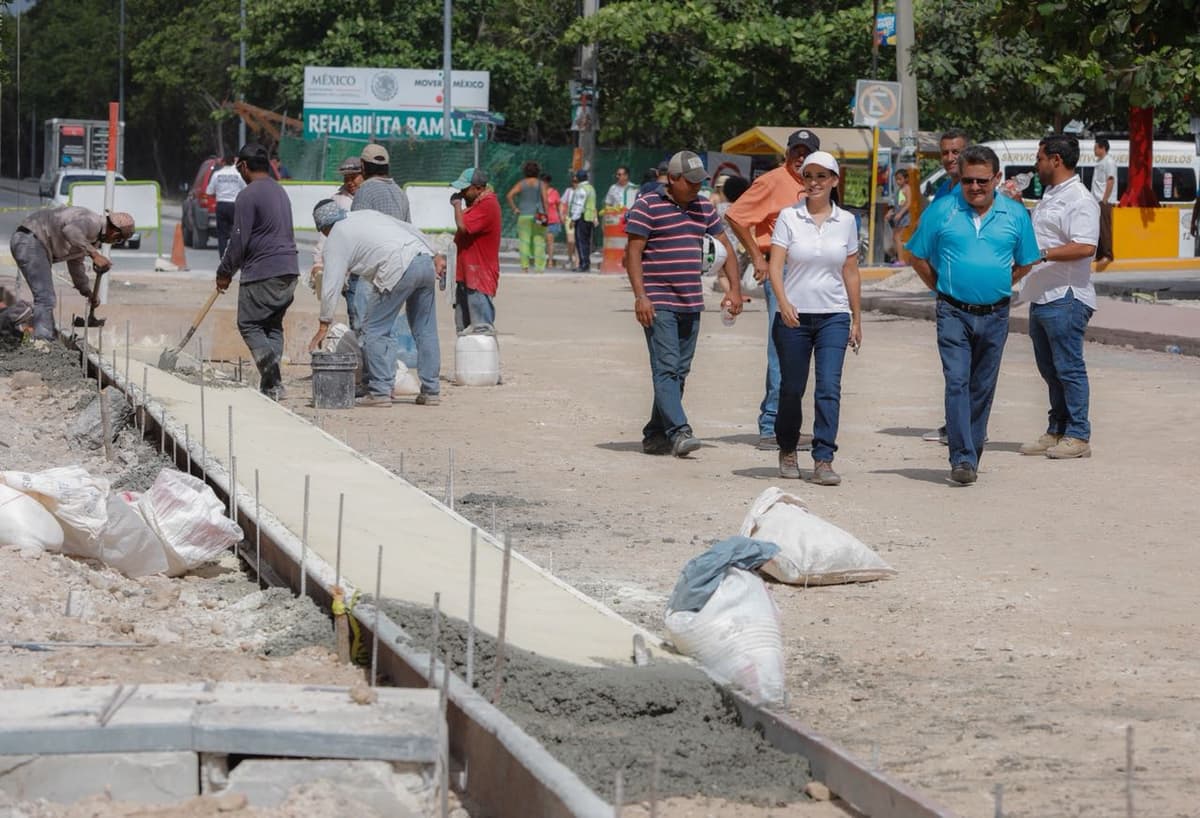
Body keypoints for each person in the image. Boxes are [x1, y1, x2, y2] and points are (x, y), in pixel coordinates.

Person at [906, 144, 1040, 485]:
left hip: (996, 314)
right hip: (953, 311)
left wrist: (1001, 282)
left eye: (982, 181)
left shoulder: (1015, 215)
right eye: (968, 181)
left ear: (996, 178)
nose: (975, 188)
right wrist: (940, 288)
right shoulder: (943, 211)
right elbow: (916, 256)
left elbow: (1027, 259)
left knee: (982, 387)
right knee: (957, 382)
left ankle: (972, 453)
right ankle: (962, 458)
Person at [625, 150, 743, 458]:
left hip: (691, 302)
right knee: (666, 369)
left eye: (699, 182)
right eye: (690, 182)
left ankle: (655, 434)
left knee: (679, 370)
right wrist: (641, 295)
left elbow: (726, 246)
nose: (696, 187)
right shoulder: (647, 206)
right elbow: (633, 254)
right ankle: (679, 431)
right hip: (658, 301)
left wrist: (735, 290)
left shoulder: (703, 207)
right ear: (672, 179)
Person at [766, 152, 862, 486]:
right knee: (791, 388)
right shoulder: (788, 217)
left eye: (822, 176)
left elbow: (850, 271)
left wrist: (856, 318)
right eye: (809, 176)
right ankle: (788, 447)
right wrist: (783, 301)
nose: (815, 182)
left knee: (829, 388)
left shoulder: (846, 222)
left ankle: (824, 457)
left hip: (833, 316)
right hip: (793, 316)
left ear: (835, 181)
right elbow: (776, 265)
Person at [726, 128, 821, 452]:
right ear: (786, 153)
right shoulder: (772, 181)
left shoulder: (815, 185)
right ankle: (770, 424)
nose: (799, 157)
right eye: (795, 151)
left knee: (802, 351)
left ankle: (787, 425)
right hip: (780, 272)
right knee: (781, 348)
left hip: (810, 276)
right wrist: (756, 256)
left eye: (806, 152)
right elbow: (736, 216)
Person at [307, 200, 444, 407]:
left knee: (374, 329)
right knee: (425, 329)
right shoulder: (365, 215)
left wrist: (324, 323)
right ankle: (431, 390)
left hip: (398, 267)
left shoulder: (336, 237)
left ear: (324, 227)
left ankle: (380, 391)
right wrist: (435, 253)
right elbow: (409, 228)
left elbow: (330, 285)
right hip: (424, 260)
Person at [1017, 134, 1100, 460]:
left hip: (1066, 296)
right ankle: (1057, 430)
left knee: (1069, 369)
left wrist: (1041, 254)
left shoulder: (1079, 199)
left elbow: (1084, 246)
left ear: (1055, 159)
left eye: (1039, 158)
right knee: (1050, 370)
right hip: (1043, 294)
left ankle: (1079, 435)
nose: (1036, 165)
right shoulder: (1051, 195)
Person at [215, 142, 300, 400]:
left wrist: (225, 271)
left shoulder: (248, 195)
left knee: (249, 323)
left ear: (243, 165)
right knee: (272, 326)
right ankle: (272, 386)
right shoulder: (279, 191)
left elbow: (239, 239)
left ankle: (272, 381)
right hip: (289, 270)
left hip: (263, 271)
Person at [9, 207, 135, 340]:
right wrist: (95, 254)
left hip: (33, 242)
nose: (115, 242)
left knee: (45, 298)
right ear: (115, 233)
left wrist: (87, 292)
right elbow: (70, 231)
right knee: (45, 298)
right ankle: (41, 341)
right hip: (31, 240)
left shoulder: (91, 239)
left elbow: (76, 265)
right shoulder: (92, 222)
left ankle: (46, 336)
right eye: (119, 240)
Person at [922, 127, 971, 445]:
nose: (951, 158)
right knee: (955, 367)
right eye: (945, 153)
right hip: (946, 291)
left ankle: (967, 428)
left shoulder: (974, 191)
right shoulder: (942, 192)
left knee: (970, 369)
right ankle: (954, 424)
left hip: (974, 292)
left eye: (956, 152)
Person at [309, 156, 363, 316]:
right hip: (349, 269)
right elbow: (326, 236)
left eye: (354, 177)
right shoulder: (337, 200)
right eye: (346, 178)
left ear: (363, 175)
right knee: (354, 311)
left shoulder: (371, 196)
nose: (350, 182)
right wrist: (318, 263)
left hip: (369, 264)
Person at [450, 166, 502, 331]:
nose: (462, 193)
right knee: (463, 329)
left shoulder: (488, 204)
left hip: (479, 277)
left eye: (465, 189)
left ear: (478, 188)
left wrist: (457, 205)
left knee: (480, 330)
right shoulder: (477, 204)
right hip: (468, 275)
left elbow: (463, 226)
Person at [505, 161, 550, 272]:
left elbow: (509, 195)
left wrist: (515, 209)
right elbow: (545, 200)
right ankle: (539, 268)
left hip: (524, 216)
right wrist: (546, 214)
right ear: (538, 172)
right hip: (538, 215)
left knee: (524, 241)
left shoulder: (521, 183)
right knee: (539, 241)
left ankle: (525, 267)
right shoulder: (541, 184)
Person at [352, 144, 410, 221]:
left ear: (362, 165)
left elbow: (356, 225)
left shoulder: (365, 191)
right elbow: (407, 227)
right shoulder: (400, 192)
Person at [206, 155, 246, 258]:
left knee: (222, 234)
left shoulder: (217, 174)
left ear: (223, 162)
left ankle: (223, 258)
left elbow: (209, 191)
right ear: (234, 162)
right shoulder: (238, 175)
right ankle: (237, 255)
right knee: (237, 232)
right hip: (235, 206)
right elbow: (245, 189)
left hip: (222, 205)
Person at [1091, 137, 1118, 263]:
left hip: (1104, 200)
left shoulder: (1109, 162)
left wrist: (1105, 198)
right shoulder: (1099, 162)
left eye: (1096, 147)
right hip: (1096, 199)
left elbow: (1110, 180)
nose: (1094, 150)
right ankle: (1100, 254)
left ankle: (1108, 255)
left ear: (1102, 148)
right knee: (1098, 228)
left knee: (1105, 228)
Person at [572, 170, 598, 272]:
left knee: (580, 241)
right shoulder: (591, 188)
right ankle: (586, 263)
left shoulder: (581, 189)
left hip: (582, 218)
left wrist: (574, 219)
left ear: (578, 178)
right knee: (586, 242)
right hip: (589, 218)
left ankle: (583, 264)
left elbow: (579, 205)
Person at [887, 168, 911, 265]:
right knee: (895, 237)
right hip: (898, 217)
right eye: (896, 179)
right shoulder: (899, 190)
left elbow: (908, 203)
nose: (898, 181)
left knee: (897, 237)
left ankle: (901, 260)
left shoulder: (907, 188)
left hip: (903, 217)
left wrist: (900, 213)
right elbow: (897, 205)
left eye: (900, 179)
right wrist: (891, 212)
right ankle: (897, 257)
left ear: (905, 179)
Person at [560, 173, 579, 267]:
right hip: (569, 218)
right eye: (574, 181)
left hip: (580, 218)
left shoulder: (583, 191)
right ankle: (570, 257)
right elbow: (562, 203)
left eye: (577, 181)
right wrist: (561, 214)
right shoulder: (568, 191)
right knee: (571, 240)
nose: (575, 183)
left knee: (578, 240)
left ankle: (576, 260)